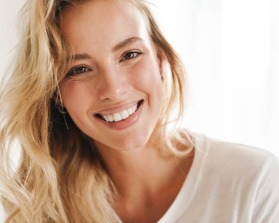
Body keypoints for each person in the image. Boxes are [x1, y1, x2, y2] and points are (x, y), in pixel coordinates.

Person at [0, 0, 278, 222]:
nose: (114, 89)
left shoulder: (254, 183)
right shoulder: (44, 212)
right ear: (55, 93)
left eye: (130, 54)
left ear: (160, 59)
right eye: (79, 69)